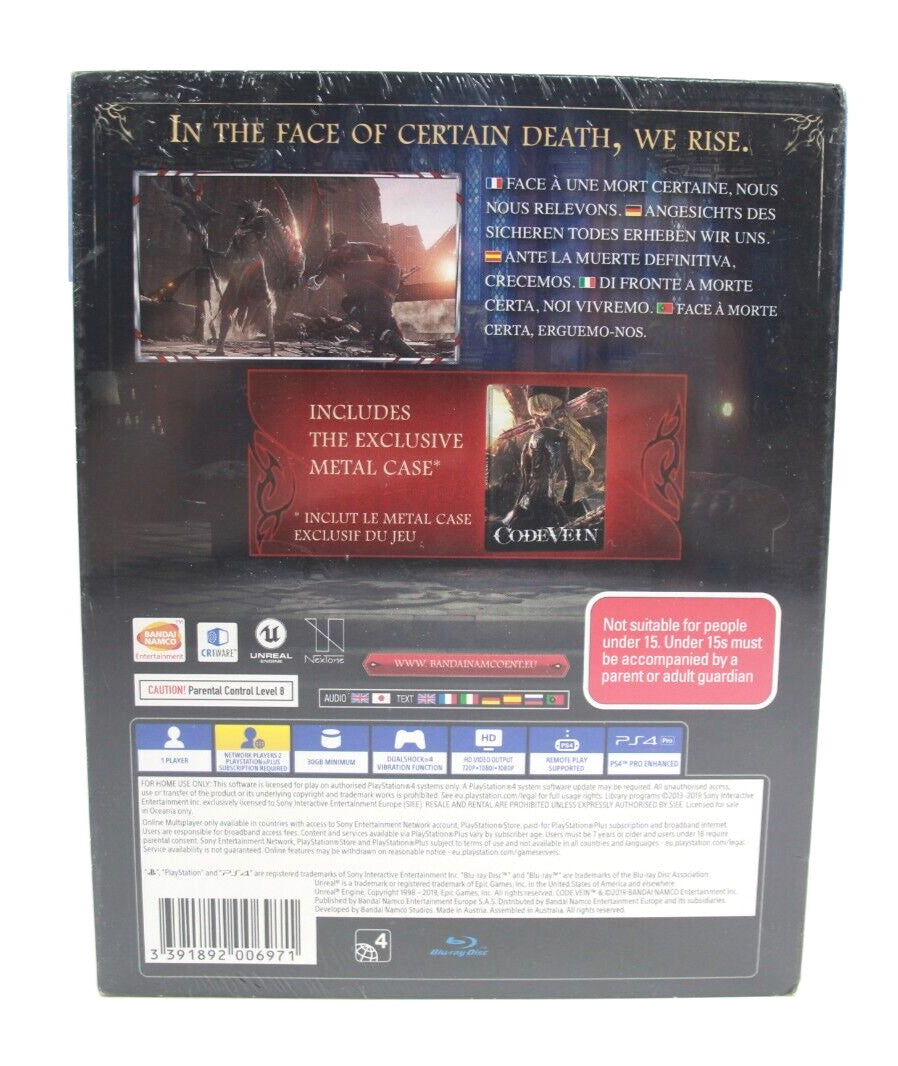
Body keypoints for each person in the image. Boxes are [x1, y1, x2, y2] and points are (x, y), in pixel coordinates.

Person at [307, 232, 417, 358]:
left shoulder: (358, 249)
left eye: (346, 248)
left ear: (347, 244)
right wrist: (314, 282)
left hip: (376, 287)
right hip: (369, 290)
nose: (345, 252)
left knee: (381, 324)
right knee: (350, 305)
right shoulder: (331, 260)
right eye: (341, 250)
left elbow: (385, 253)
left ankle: (381, 339)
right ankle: (376, 338)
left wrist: (394, 270)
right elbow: (320, 278)